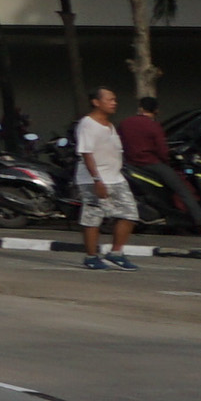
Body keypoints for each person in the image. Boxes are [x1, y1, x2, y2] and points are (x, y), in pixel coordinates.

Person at [122, 94, 201, 236]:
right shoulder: (154, 126)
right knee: (184, 190)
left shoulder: (126, 123)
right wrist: (167, 161)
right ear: (156, 110)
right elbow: (162, 150)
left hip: (130, 163)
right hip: (151, 164)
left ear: (140, 108)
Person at [74, 86, 136, 270]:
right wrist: (97, 180)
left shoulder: (109, 125)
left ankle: (116, 253)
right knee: (93, 218)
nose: (114, 103)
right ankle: (91, 256)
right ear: (96, 102)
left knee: (129, 214)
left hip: (115, 178)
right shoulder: (88, 124)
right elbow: (86, 153)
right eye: (110, 99)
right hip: (93, 180)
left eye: (115, 100)